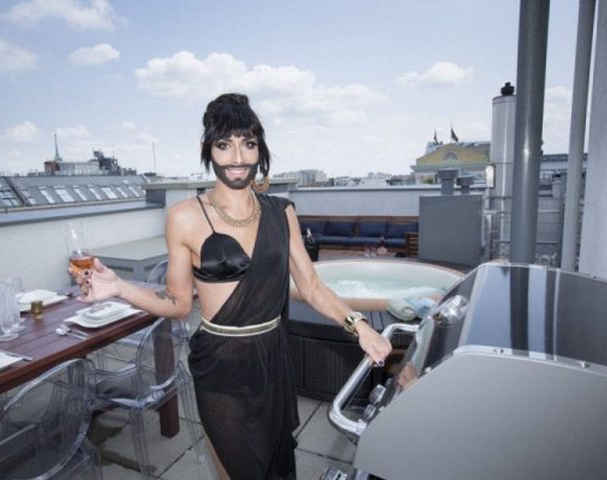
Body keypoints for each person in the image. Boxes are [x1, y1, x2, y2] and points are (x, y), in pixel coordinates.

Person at [70, 93, 393, 479]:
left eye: (248, 144)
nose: (237, 157)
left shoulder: (282, 212)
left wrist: (359, 325)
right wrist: (119, 288)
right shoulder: (184, 217)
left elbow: (310, 286)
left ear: (260, 150)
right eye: (224, 145)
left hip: (273, 357)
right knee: (239, 470)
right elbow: (177, 303)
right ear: (208, 150)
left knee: (277, 465)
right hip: (221, 364)